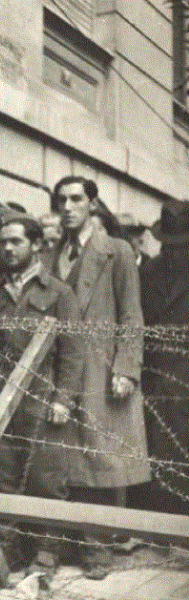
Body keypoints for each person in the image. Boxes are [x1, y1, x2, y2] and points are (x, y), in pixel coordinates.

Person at [49, 176, 150, 579]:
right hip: (62, 367)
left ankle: (98, 548)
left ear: (92, 204)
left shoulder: (117, 251)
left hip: (101, 367)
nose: (68, 207)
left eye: (76, 199)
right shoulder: (53, 253)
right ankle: (67, 543)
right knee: (65, 457)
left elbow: (131, 313)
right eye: (62, 200)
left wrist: (126, 368)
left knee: (102, 459)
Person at [0, 210, 83, 583]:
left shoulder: (58, 292)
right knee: (0, 473)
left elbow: (73, 353)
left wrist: (63, 399)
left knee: (46, 478)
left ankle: (45, 553)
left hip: (42, 394)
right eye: (3, 242)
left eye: (16, 241)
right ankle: (7, 549)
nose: (8, 248)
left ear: (37, 245)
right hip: (0, 395)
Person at [130, 199, 189, 515]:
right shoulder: (148, 271)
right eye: (169, 245)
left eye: (181, 246)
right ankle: (156, 518)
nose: (174, 252)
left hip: (185, 373)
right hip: (153, 374)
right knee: (155, 445)